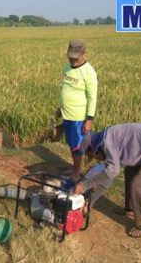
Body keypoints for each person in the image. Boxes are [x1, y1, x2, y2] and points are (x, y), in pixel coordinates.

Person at [75, 123, 141, 238]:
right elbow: (109, 176)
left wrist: (84, 185)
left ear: (93, 148)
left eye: (92, 155)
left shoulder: (107, 143)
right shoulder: (105, 137)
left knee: (140, 186)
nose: (97, 159)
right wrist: (91, 202)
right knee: (130, 172)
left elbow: (112, 172)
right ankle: (130, 208)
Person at [56, 39, 98, 181]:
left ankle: (76, 173)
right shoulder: (67, 68)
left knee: (77, 146)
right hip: (67, 114)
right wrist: (60, 108)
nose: (73, 60)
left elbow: (92, 97)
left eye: (76, 57)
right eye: (70, 57)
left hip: (78, 117)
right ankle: (76, 167)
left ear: (84, 53)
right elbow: (66, 89)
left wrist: (89, 119)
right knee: (72, 143)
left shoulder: (89, 72)